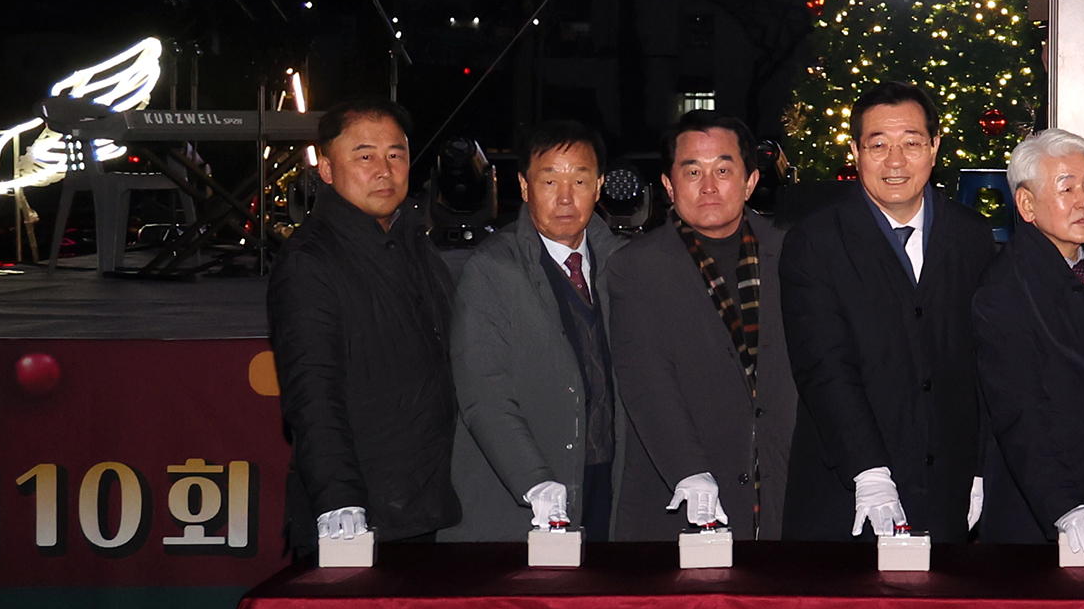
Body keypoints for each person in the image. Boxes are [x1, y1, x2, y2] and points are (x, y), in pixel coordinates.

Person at [777, 82, 998, 540]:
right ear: (856, 150)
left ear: (935, 148)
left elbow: (987, 362)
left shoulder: (972, 237)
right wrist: (869, 472)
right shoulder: (815, 242)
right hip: (848, 490)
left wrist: (980, 464)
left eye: (912, 143)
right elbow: (824, 366)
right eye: (878, 145)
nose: (895, 162)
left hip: (947, 490)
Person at [270, 98, 459, 557]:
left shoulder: (415, 241)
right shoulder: (310, 262)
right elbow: (312, 395)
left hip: (423, 506)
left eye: (396, 154)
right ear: (328, 168)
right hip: (357, 518)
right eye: (365, 155)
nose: (384, 169)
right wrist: (339, 500)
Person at [603, 110, 800, 538]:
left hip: (781, 503)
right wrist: (689, 472)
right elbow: (647, 382)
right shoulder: (635, 269)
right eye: (692, 171)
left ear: (749, 181)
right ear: (669, 186)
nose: (708, 186)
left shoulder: (792, 257)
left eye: (724, 170)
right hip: (680, 504)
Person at [446, 120, 639, 541]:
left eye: (580, 179)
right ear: (524, 185)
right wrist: (534, 480)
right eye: (549, 179)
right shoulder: (492, 269)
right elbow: (483, 393)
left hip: (610, 485)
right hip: (530, 496)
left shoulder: (624, 266)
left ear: (600, 185)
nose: (565, 197)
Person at [974, 127, 1084, 551]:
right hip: (1045, 512)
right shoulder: (1004, 290)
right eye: (1066, 187)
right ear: (1026, 205)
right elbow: (1019, 415)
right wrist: (1065, 506)